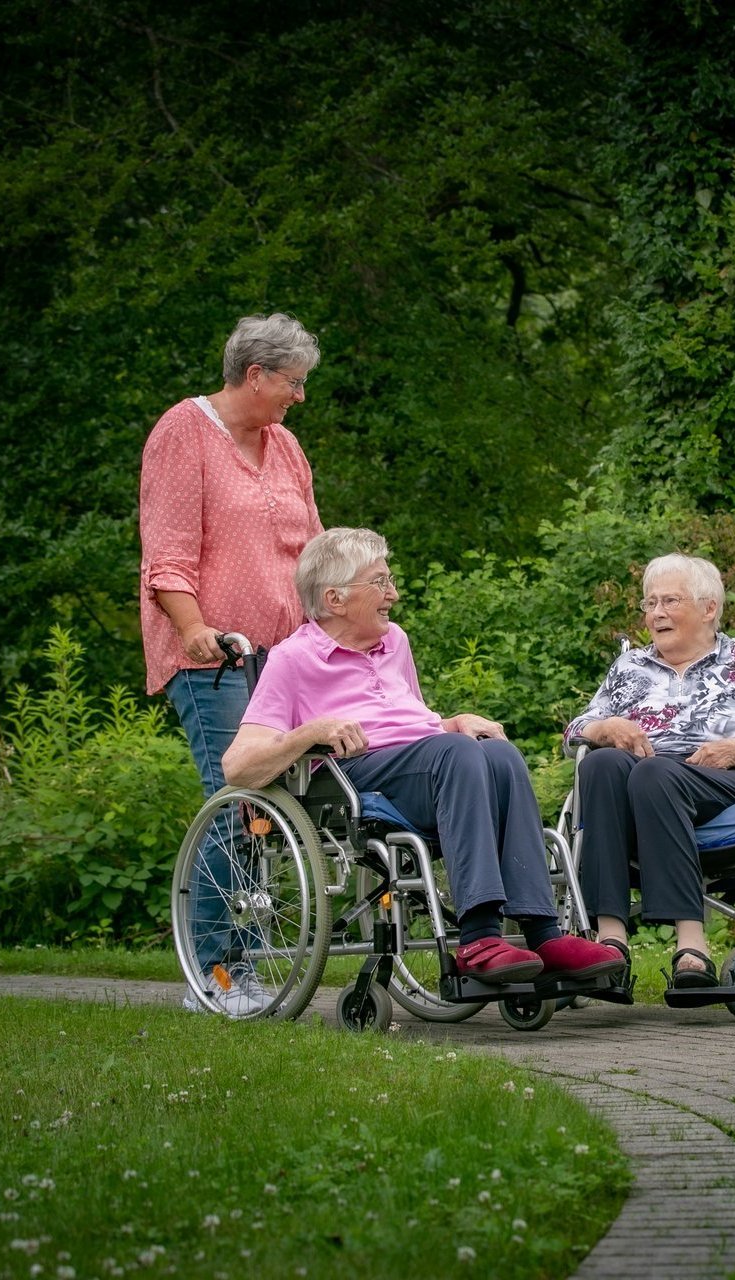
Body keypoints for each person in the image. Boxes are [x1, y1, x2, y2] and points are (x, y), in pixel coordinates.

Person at [222, 527, 623, 991]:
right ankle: (478, 936)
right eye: (380, 582)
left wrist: (451, 722)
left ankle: (543, 934)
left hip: (432, 764)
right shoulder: (294, 659)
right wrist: (314, 730)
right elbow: (240, 766)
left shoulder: (395, 642)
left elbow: (410, 722)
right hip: (357, 779)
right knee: (457, 754)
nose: (392, 593)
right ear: (334, 598)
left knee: (499, 752)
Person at [140, 313, 324, 1015]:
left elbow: (312, 551)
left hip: (288, 657)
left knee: (278, 815)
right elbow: (167, 553)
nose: (299, 397)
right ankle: (215, 974)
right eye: (293, 383)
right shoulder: (183, 433)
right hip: (216, 660)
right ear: (257, 375)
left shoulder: (284, 446)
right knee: (237, 803)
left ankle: (250, 953)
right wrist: (193, 629)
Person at [565, 554, 735, 990]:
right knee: (603, 762)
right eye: (649, 603)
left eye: (670, 601)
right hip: (645, 781)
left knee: (654, 774)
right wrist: (604, 727)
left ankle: (691, 944)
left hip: (730, 778)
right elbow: (576, 732)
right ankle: (610, 940)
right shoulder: (630, 667)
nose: (656, 613)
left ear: (708, 608)